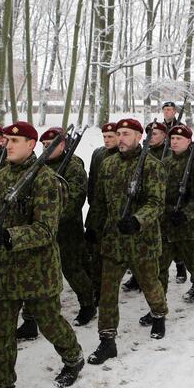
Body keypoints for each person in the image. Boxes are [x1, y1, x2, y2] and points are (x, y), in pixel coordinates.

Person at [0, 121, 84, 388]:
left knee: (49, 323)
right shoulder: (2, 173)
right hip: (6, 272)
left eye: (15, 141)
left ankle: (73, 358)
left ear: (32, 145)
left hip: (36, 272)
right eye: (6, 140)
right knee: (2, 333)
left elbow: (46, 230)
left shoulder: (47, 180)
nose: (7, 144)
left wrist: (8, 237)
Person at [87, 118, 169, 366]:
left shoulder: (152, 166)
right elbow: (100, 202)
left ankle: (158, 314)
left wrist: (137, 219)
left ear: (137, 136)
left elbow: (156, 203)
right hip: (113, 240)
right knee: (107, 292)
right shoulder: (108, 164)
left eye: (126, 134)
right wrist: (92, 226)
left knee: (149, 283)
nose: (120, 138)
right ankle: (107, 340)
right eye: (118, 133)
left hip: (141, 240)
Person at [154, 125, 194, 315]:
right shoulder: (164, 164)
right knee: (160, 268)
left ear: (189, 142)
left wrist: (185, 213)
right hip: (167, 225)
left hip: (191, 227)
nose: (175, 142)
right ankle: (158, 306)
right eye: (172, 139)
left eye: (180, 139)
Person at [42, 127, 97, 326]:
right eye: (44, 146)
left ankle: (88, 304)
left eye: (51, 145)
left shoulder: (73, 166)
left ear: (63, 145)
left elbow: (75, 200)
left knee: (72, 268)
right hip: (45, 228)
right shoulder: (40, 165)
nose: (46, 149)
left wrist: (51, 219)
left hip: (67, 228)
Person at [85, 122, 119, 298]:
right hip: (98, 209)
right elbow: (92, 179)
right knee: (95, 249)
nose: (106, 140)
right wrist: (92, 203)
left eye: (110, 137)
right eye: (104, 137)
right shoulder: (98, 154)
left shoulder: (123, 156)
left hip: (116, 211)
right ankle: (97, 288)